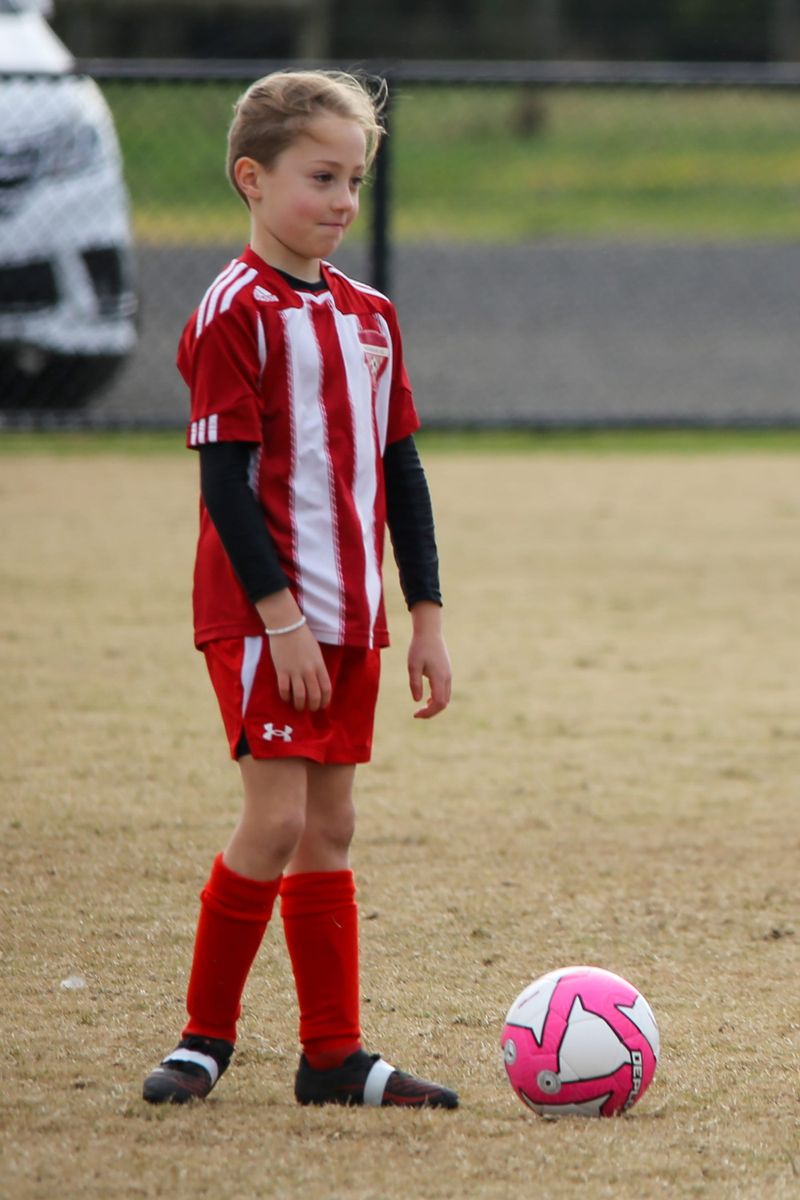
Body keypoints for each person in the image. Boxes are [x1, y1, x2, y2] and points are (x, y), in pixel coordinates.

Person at [142, 69, 458, 1109]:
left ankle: (331, 1055)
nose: (342, 201)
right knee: (273, 821)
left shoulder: (370, 318)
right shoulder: (234, 313)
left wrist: (424, 615)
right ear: (251, 178)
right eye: (320, 176)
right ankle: (203, 1040)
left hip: (351, 616)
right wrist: (279, 620)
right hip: (260, 612)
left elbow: (399, 469)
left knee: (331, 827)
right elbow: (223, 486)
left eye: (355, 180)